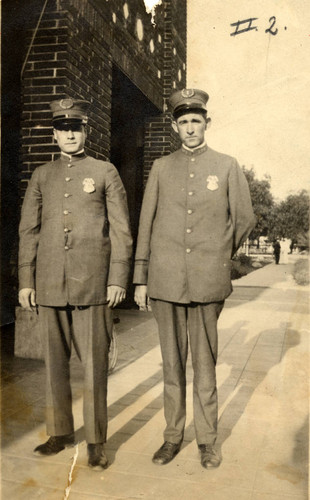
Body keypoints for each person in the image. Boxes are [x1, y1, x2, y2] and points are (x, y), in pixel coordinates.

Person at [133, 88, 256, 469]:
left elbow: (245, 218)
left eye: (196, 121)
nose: (189, 128)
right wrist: (141, 277)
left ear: (207, 123)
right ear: (174, 125)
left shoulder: (226, 165)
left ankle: (207, 441)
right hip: (166, 280)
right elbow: (146, 222)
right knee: (172, 365)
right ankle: (172, 438)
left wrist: (221, 254)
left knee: (204, 365)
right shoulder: (161, 167)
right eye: (183, 121)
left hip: (206, 281)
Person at [18, 97, 132, 469]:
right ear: (54, 134)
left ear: (87, 131)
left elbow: (121, 230)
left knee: (95, 365)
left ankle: (97, 440)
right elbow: (29, 231)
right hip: (50, 282)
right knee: (54, 364)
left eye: (76, 128)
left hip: (93, 284)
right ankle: (60, 432)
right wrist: (26, 280)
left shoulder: (104, 172)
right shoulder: (41, 175)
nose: (70, 134)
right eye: (63, 128)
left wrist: (117, 278)